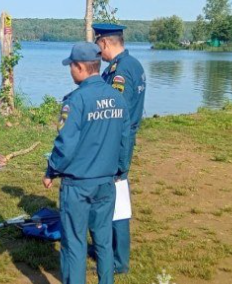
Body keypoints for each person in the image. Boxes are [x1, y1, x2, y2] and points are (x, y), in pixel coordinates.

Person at [43, 42, 131, 284]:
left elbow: (65, 144)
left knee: (74, 242)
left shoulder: (76, 101)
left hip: (78, 185)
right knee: (103, 241)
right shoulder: (118, 98)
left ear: (80, 67)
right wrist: (121, 170)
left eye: (71, 66)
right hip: (106, 183)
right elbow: (125, 141)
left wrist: (51, 170)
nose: (70, 70)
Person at [93, 23, 147, 274]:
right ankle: (109, 249)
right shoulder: (133, 64)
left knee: (115, 199)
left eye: (98, 45)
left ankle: (118, 261)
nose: (98, 51)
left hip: (116, 142)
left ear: (104, 42)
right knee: (112, 196)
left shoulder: (120, 71)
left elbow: (114, 113)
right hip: (122, 139)